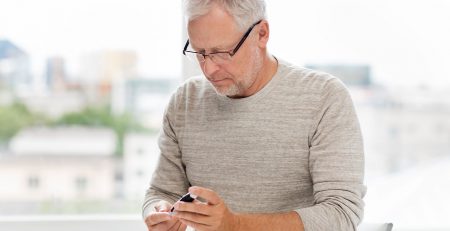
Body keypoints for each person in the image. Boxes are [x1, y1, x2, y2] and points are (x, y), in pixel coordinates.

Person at [143, 0, 366, 230]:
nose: (208, 69)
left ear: (261, 33)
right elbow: (162, 192)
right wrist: (160, 212)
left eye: (221, 52)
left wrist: (235, 224)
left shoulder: (324, 97)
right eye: (199, 53)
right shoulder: (185, 101)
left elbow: (341, 213)